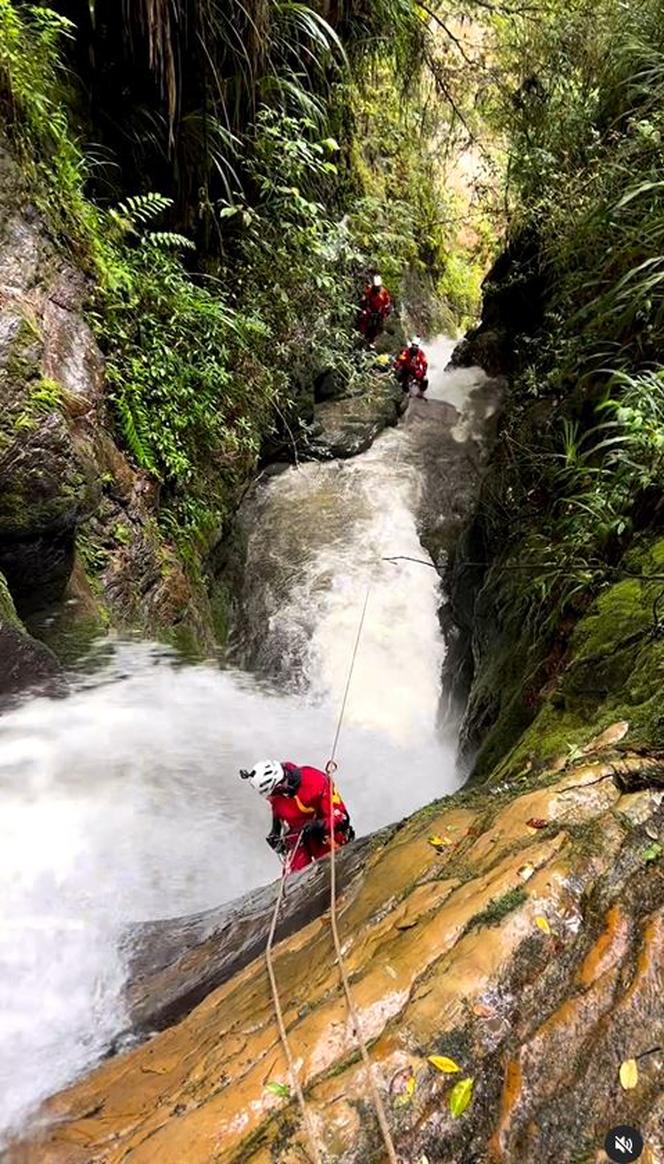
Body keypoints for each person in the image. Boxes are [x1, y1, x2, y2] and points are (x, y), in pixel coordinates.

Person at [240, 760, 355, 873]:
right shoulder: (277, 796)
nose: (269, 798)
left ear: (279, 786)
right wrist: (275, 830)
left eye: (272, 793)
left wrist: (318, 826)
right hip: (298, 835)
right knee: (293, 875)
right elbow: (277, 809)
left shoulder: (316, 781)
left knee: (330, 866)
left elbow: (342, 818)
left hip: (326, 832)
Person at [358, 274, 392, 344]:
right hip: (370, 310)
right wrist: (365, 308)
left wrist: (385, 310)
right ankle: (362, 334)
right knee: (364, 317)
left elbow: (387, 302)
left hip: (380, 311)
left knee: (378, 325)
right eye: (376, 287)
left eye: (378, 287)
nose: (377, 288)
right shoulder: (370, 291)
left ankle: (373, 339)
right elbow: (365, 300)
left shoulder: (383, 292)